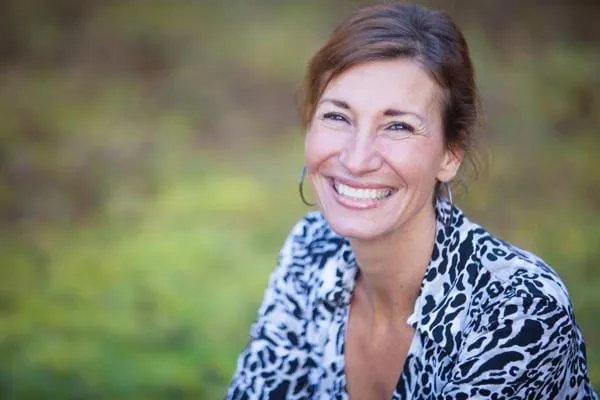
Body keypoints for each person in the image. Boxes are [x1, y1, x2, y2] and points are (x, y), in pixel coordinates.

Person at [226, 2, 597, 399]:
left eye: (398, 126)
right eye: (337, 117)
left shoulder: (519, 307)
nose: (356, 159)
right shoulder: (312, 250)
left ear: (449, 155)